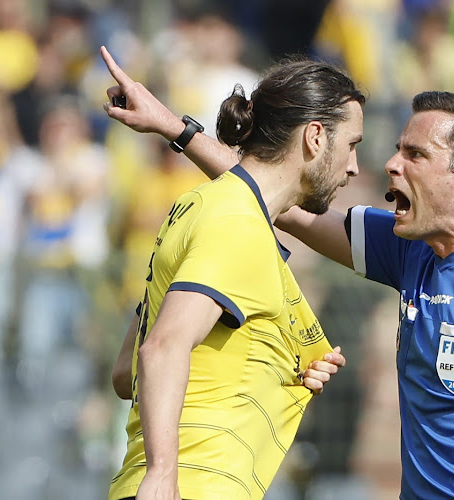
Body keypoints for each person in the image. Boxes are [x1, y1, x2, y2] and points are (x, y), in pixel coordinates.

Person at [102, 46, 454, 497]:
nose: (389, 164)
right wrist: (174, 128)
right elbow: (275, 196)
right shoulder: (411, 252)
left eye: (415, 155)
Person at [100, 46, 362, 500]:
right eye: (352, 144)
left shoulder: (199, 206)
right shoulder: (237, 223)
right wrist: (163, 474)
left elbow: (127, 374)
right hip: (193, 485)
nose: (354, 166)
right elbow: (162, 348)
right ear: (315, 137)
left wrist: (276, 370)